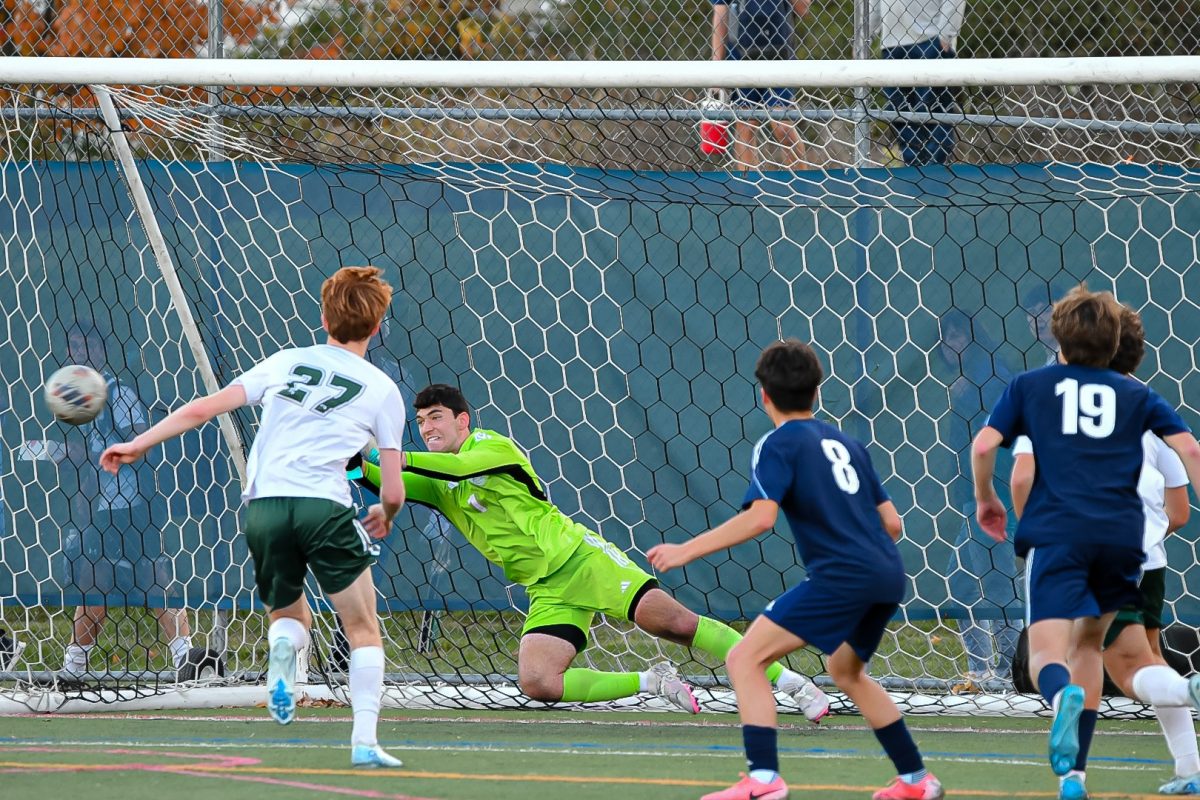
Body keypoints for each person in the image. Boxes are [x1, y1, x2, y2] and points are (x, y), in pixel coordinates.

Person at [351, 383, 830, 720]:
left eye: (435, 417)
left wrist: (384, 451)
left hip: (582, 559)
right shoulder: (439, 482)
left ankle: (791, 683)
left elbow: (443, 468)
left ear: (462, 419)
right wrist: (351, 458)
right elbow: (379, 478)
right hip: (546, 589)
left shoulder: (491, 447)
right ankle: (651, 682)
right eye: (419, 422)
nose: (426, 427)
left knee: (676, 623)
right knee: (538, 682)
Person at [99, 266, 408, 768]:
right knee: (362, 626)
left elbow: (204, 408)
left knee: (289, 616)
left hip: (264, 508)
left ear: (324, 316)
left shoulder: (287, 361)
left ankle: (282, 656)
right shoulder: (381, 388)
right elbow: (392, 487)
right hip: (324, 507)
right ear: (376, 327)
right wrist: (385, 511)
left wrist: (137, 442)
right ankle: (364, 741)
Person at [648, 339, 943, 800]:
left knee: (745, 657)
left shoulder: (777, 443)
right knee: (846, 670)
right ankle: (916, 780)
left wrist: (686, 550)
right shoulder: (846, 442)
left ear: (763, 395)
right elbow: (893, 523)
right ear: (818, 391)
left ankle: (764, 780)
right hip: (887, 573)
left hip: (843, 576)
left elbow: (761, 518)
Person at [972, 285, 1200, 800]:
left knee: (1052, 659)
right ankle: (1078, 774)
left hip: (1060, 537)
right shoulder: (1139, 399)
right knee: (1102, 651)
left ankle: (1064, 710)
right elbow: (1187, 452)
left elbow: (995, 453)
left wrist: (991, 502)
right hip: (1128, 545)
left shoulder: (1035, 390)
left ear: (1057, 338)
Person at [59, 321, 197, 681]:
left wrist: (110, 451)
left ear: (101, 352)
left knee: (154, 580)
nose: (79, 351)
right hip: (102, 509)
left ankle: (186, 658)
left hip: (132, 505)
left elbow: (142, 437)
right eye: (73, 345)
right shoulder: (76, 400)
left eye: (86, 343)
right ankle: (74, 666)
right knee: (95, 582)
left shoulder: (118, 394)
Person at [936, 312, 1023, 691]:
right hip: (977, 502)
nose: (952, 342)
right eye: (945, 336)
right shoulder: (966, 382)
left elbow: (997, 442)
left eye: (958, 333)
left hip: (998, 501)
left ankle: (1009, 672)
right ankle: (982, 669)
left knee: (1000, 586)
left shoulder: (992, 378)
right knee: (962, 582)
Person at [710, 0, 810, 170]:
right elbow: (721, 14)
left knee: (782, 127)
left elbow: (803, 9)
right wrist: (716, 66)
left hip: (780, 54)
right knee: (746, 125)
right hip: (742, 53)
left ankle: (801, 187)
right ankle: (749, 190)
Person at [870, 0, 965, 166]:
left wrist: (945, 33)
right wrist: (865, 36)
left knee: (932, 112)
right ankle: (914, 174)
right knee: (900, 115)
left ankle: (936, 175)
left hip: (932, 39)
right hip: (892, 44)